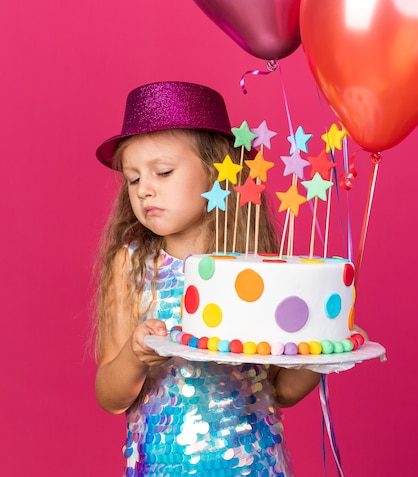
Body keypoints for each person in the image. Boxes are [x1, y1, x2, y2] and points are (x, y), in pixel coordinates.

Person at [93, 81, 320, 476]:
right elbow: (110, 396)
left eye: (162, 172)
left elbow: (280, 390)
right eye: (132, 179)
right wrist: (134, 356)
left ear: (217, 173)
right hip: (163, 466)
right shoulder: (131, 265)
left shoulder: (255, 267)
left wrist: (321, 353)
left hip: (254, 466)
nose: (145, 189)